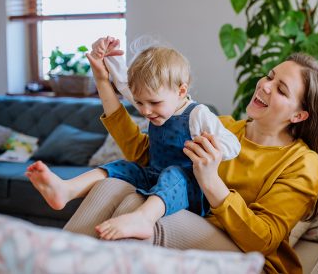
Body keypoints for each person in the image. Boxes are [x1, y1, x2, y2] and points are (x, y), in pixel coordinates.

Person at [64, 49, 318, 274]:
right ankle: (51, 261)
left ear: (299, 115)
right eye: (270, 76)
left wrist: (211, 182)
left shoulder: (302, 163)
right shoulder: (225, 128)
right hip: (199, 227)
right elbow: (146, 157)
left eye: (281, 89)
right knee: (111, 186)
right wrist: (103, 81)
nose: (265, 85)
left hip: (254, 260)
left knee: (141, 211)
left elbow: (262, 241)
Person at [26, 36, 240, 241]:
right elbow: (122, 82)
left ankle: (144, 218)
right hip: (154, 175)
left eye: (154, 103)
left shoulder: (197, 114)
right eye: (139, 103)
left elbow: (234, 145)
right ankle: (67, 189)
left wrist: (211, 147)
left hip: (189, 189)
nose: (146, 111)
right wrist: (109, 56)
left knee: (174, 173)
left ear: (181, 91)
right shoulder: (150, 99)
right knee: (123, 166)